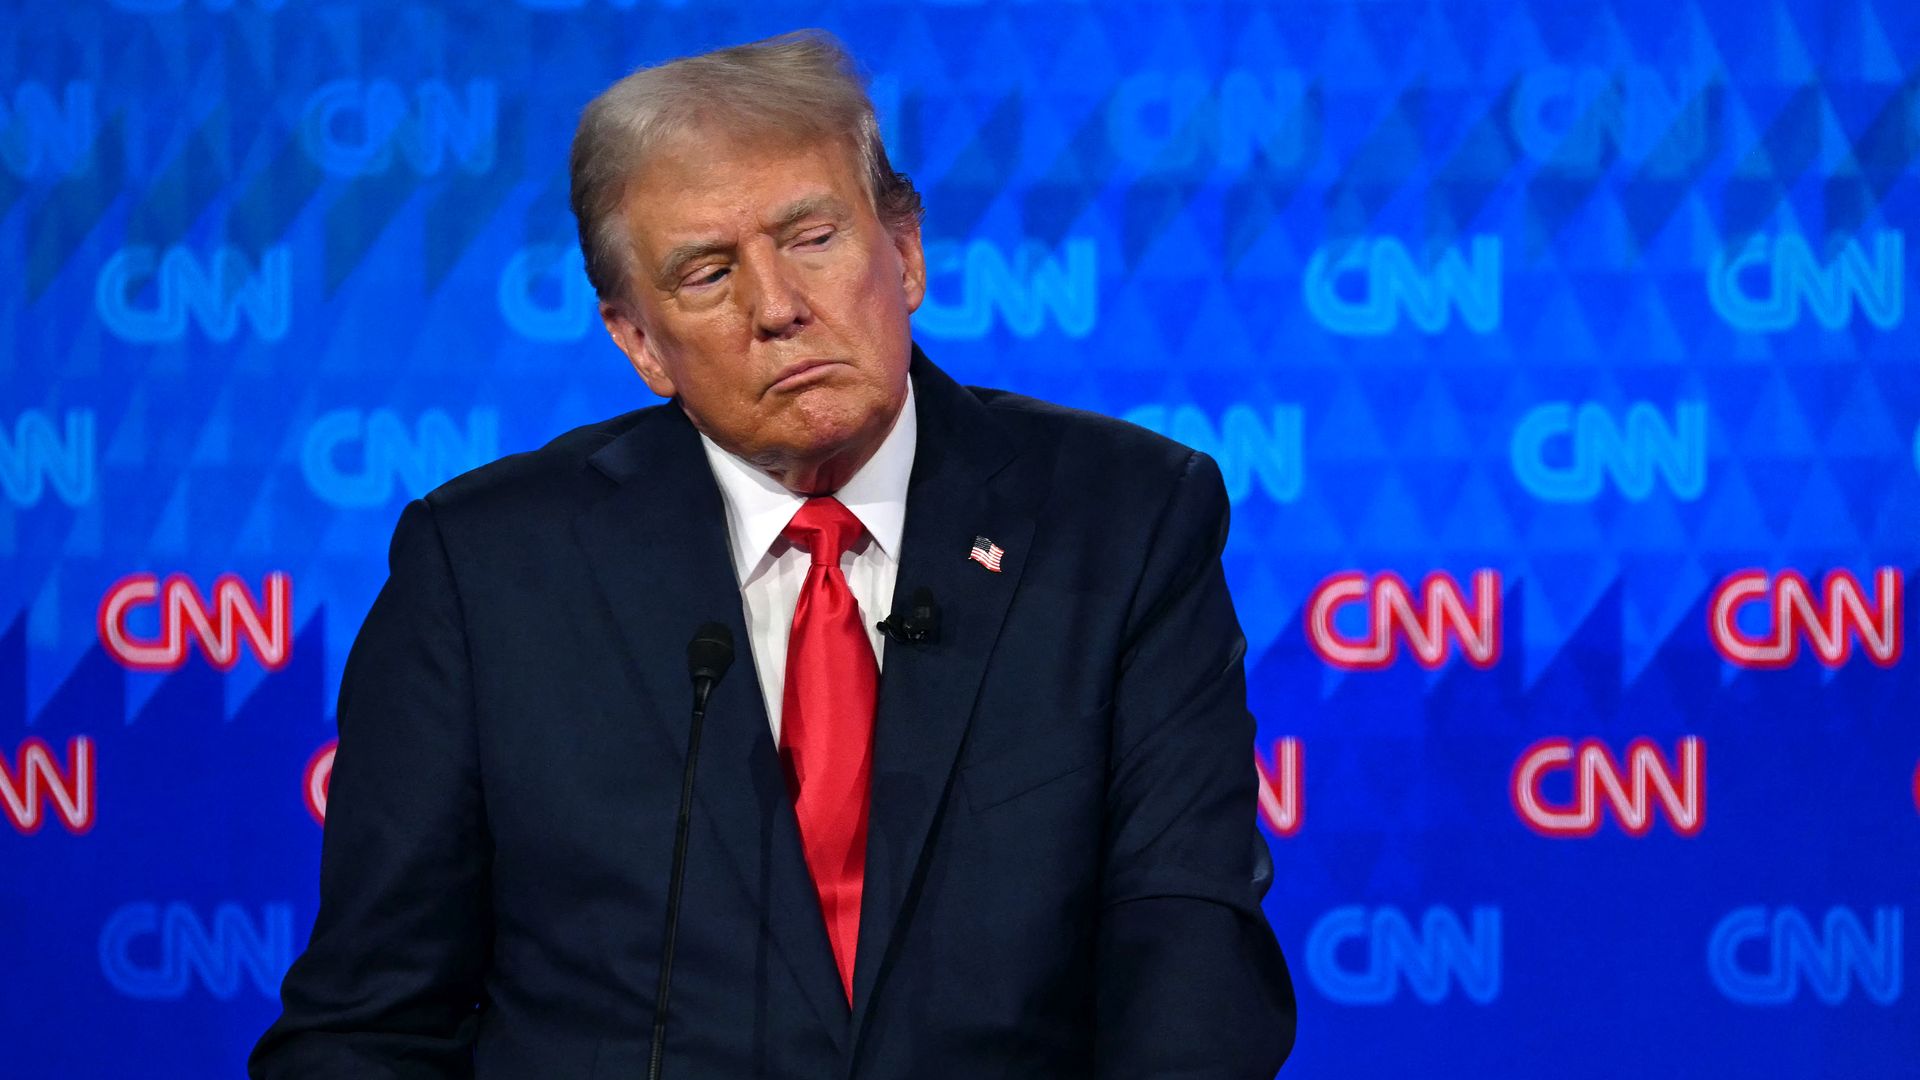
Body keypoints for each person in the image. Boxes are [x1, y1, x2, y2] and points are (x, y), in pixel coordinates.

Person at [252, 29, 1295, 1079]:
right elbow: (371, 1023)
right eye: (708, 274)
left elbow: (1188, 959)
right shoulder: (485, 573)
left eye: (812, 237)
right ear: (638, 341)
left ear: (906, 250)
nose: (777, 307)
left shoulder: (1123, 519)